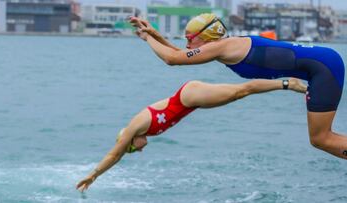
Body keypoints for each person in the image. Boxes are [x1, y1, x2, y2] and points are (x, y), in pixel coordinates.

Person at [129, 13, 347, 159]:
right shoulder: (222, 47)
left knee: (321, 139)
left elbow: (172, 59)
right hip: (322, 65)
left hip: (322, 68)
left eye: (189, 39)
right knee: (321, 138)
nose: (186, 45)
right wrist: (154, 34)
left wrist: (148, 39)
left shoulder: (222, 47)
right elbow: (180, 55)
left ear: (205, 37)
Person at [76, 78, 307, 192]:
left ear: (128, 141)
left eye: (135, 149)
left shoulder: (132, 128)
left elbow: (114, 155)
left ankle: (288, 83)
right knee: (239, 93)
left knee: (240, 91)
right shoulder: (143, 132)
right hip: (192, 102)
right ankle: (284, 83)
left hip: (188, 96)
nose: (140, 149)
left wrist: (93, 176)